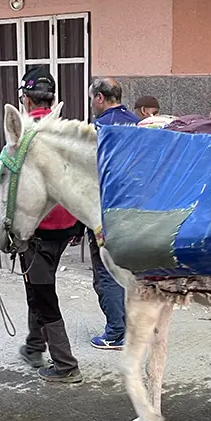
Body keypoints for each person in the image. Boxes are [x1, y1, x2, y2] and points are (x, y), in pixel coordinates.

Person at [16, 66, 84, 383]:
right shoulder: (66, 132)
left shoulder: (25, 136)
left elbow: (13, 187)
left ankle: (66, 365)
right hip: (66, 226)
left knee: (42, 293)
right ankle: (34, 345)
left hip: (36, 230)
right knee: (38, 284)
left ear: (26, 101)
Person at [87, 78, 139, 350]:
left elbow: (88, 173)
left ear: (99, 98)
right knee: (129, 270)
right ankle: (132, 327)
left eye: (91, 99)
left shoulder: (98, 128)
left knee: (106, 273)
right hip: (134, 209)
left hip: (104, 212)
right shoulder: (136, 123)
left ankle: (116, 332)